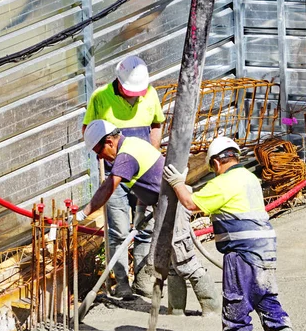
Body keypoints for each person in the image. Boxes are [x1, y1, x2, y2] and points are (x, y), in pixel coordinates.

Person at [163, 136, 303, 331]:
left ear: (216, 162)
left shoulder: (225, 182)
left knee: (236, 306)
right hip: (265, 250)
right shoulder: (248, 178)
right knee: (268, 301)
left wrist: (177, 184)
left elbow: (190, 203)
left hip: (242, 253)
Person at [77, 119, 220, 316]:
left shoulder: (126, 155)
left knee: (184, 258)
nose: (100, 157)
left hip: (174, 204)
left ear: (109, 141)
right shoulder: (132, 144)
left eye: (99, 152)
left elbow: (108, 188)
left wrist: (83, 213)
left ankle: (211, 308)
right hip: (164, 204)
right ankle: (176, 310)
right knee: (170, 260)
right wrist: (140, 213)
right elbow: (145, 183)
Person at [82, 55, 165, 299]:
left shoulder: (149, 94)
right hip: (114, 177)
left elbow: (158, 123)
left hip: (142, 177)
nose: (135, 95)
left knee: (145, 229)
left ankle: (142, 280)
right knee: (118, 232)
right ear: (119, 82)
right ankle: (121, 284)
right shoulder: (101, 97)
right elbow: (89, 131)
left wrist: (153, 153)